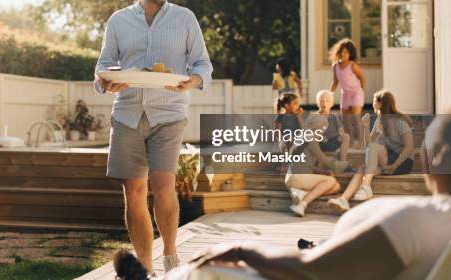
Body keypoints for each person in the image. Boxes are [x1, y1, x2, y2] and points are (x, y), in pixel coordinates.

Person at [114, 113, 451, 280]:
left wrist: (238, 247)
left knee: (214, 268)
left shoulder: (420, 221)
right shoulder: (426, 224)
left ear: (431, 162)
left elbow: (312, 271)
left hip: (314, 272)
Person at [94, 0, 213, 274]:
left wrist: (194, 79)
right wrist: (107, 82)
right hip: (128, 114)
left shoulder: (184, 18)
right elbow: (103, 66)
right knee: (133, 192)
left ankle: (171, 254)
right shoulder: (119, 21)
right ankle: (144, 268)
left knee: (163, 185)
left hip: (169, 113)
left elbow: (203, 63)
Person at [328, 89, 414, 212]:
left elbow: (409, 147)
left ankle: (365, 186)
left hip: (403, 162)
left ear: (382, 103)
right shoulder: (379, 120)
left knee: (372, 155)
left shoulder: (400, 121)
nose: (372, 103)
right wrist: (366, 127)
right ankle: (344, 199)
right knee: (363, 168)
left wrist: (394, 165)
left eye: (374, 100)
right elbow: (369, 146)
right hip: (387, 159)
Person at [276, 93, 348, 174]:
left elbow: (302, 128)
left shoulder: (297, 116)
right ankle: (286, 166)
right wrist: (282, 139)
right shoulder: (281, 116)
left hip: (297, 138)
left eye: (297, 104)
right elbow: (277, 131)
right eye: (295, 104)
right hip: (287, 139)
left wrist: (298, 116)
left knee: (307, 146)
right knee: (288, 144)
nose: (297, 106)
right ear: (286, 105)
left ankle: (320, 168)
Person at [285, 114, 341, 217]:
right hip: (299, 177)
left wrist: (323, 172)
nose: (323, 133)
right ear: (316, 127)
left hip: (290, 178)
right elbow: (325, 160)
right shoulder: (310, 139)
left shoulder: (299, 138)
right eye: (322, 130)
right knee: (331, 181)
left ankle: (302, 193)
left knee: (336, 187)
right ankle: (302, 204)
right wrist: (342, 164)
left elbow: (306, 164)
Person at [329, 38, 365, 147]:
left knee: (356, 118)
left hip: (356, 93)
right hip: (345, 95)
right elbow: (335, 82)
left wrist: (360, 91)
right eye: (340, 52)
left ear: (350, 54)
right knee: (346, 120)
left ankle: (361, 142)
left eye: (345, 52)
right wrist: (329, 94)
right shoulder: (335, 67)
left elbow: (362, 79)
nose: (342, 54)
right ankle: (350, 142)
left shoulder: (353, 65)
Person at [316, 89, 350, 163]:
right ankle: (318, 161)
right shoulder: (315, 117)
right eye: (321, 101)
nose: (324, 103)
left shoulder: (334, 117)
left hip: (332, 142)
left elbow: (341, 130)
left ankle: (342, 162)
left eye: (327, 101)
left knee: (346, 136)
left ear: (331, 104)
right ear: (318, 103)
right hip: (320, 143)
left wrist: (341, 134)